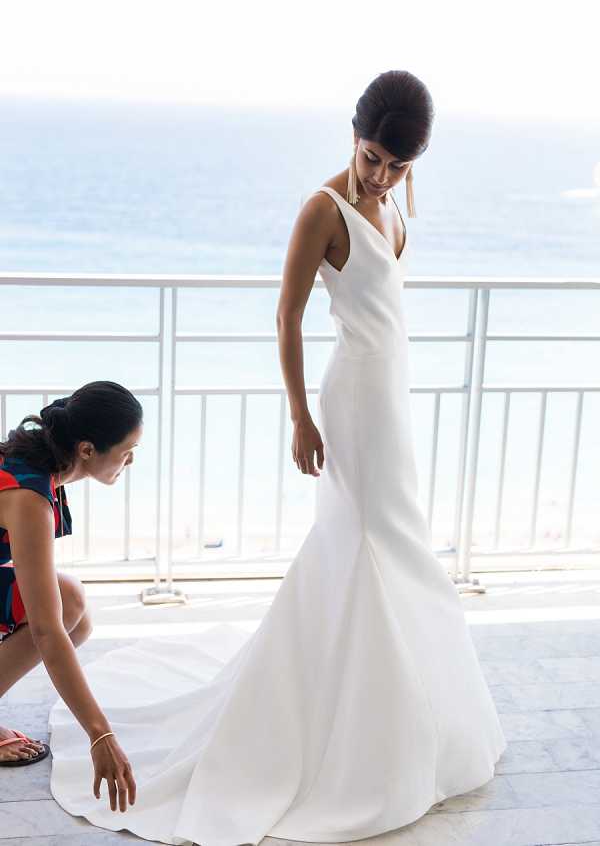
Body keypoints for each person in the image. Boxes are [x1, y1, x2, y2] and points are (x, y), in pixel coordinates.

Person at [47, 71, 506, 845]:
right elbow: (288, 315)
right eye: (371, 158)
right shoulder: (321, 210)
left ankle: (393, 710)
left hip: (390, 401)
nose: (381, 175)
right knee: (361, 543)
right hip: (351, 400)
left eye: (397, 166)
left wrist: (392, 193)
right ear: (353, 136)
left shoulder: (393, 204)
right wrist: (299, 414)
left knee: (395, 543)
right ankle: (346, 726)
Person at [0, 380, 142, 814]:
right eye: (125, 449)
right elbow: (45, 631)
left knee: (71, 606)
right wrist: (100, 734)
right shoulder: (28, 496)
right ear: (86, 449)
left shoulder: (39, 466)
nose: (131, 459)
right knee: (60, 613)